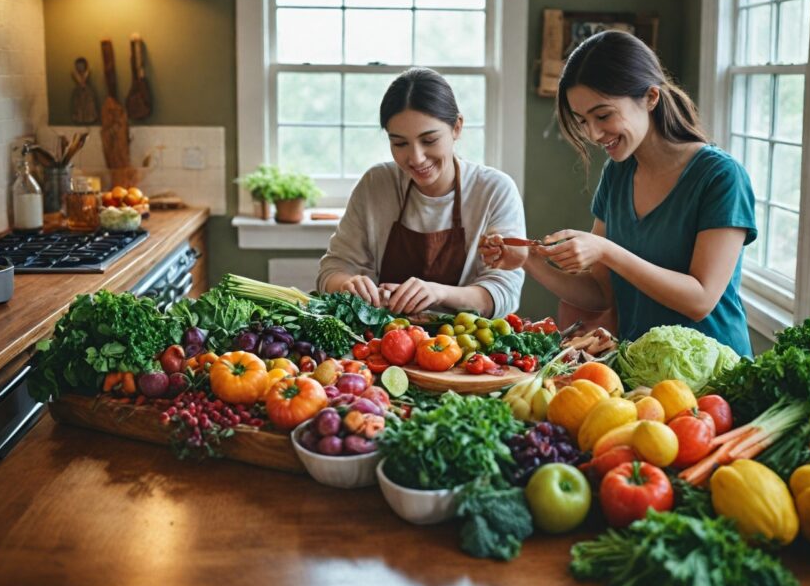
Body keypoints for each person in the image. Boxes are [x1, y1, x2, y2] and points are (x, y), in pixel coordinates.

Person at [480, 31, 756, 355]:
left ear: (651, 97)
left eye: (603, 115)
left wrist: (606, 251)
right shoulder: (618, 173)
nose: (594, 134)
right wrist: (528, 261)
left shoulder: (721, 177)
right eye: (583, 120)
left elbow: (700, 300)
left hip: (713, 379)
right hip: (640, 372)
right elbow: (601, 293)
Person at [317, 67, 525, 318]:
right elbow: (332, 270)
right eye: (400, 143)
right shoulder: (375, 184)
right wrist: (346, 285)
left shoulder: (494, 190)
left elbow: (504, 293)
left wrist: (439, 293)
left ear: (457, 127)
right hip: (380, 343)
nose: (415, 158)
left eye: (429, 141)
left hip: (466, 349)